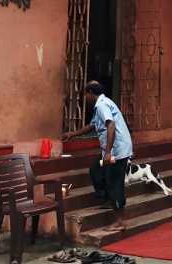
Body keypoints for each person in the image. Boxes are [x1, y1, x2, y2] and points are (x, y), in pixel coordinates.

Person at [63, 81, 133, 230]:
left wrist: (108, 152)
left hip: (117, 151)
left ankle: (120, 221)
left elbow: (111, 125)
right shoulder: (102, 104)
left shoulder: (101, 105)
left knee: (114, 182)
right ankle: (108, 200)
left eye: (85, 95)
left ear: (90, 93)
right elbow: (93, 125)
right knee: (96, 170)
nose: (85, 98)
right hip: (113, 150)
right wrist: (72, 134)